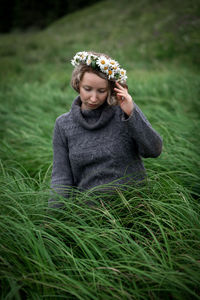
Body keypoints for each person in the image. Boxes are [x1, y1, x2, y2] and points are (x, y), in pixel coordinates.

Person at [49, 51, 162, 208]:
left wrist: (132, 112)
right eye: (87, 89)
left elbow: (153, 150)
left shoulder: (124, 114)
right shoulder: (63, 125)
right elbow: (61, 178)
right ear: (77, 84)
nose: (94, 98)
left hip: (136, 209)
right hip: (90, 216)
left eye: (101, 91)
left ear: (111, 89)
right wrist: (53, 221)